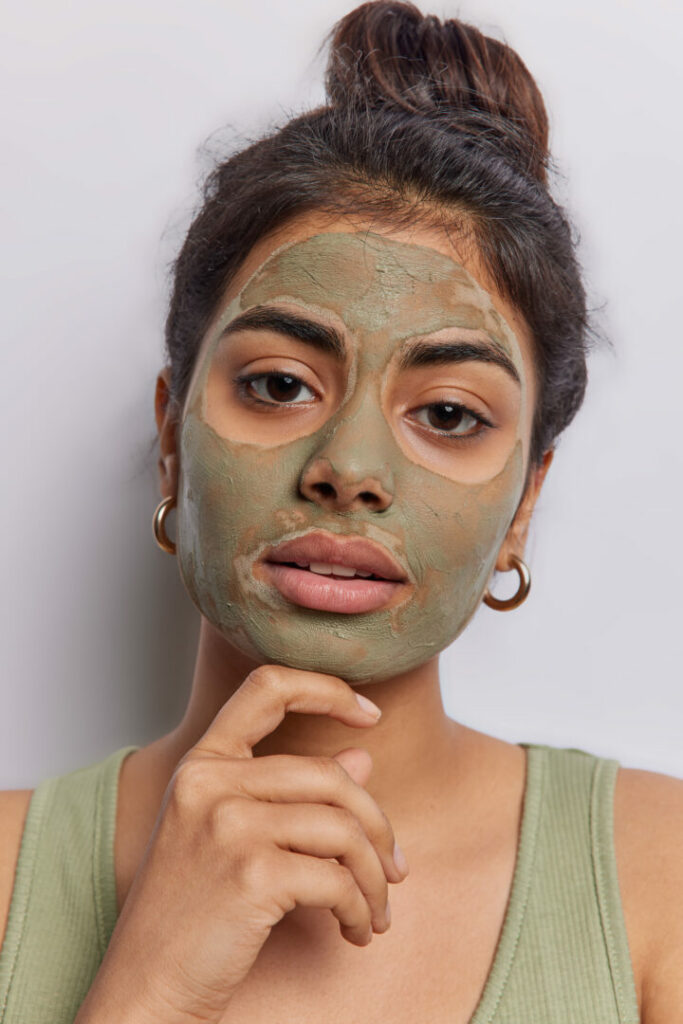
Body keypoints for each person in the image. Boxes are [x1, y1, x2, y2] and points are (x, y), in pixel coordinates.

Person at [0, 1, 681, 1021]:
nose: (348, 469)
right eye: (279, 384)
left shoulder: (659, 882)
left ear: (522, 503)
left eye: (447, 412)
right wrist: (145, 986)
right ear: (172, 442)